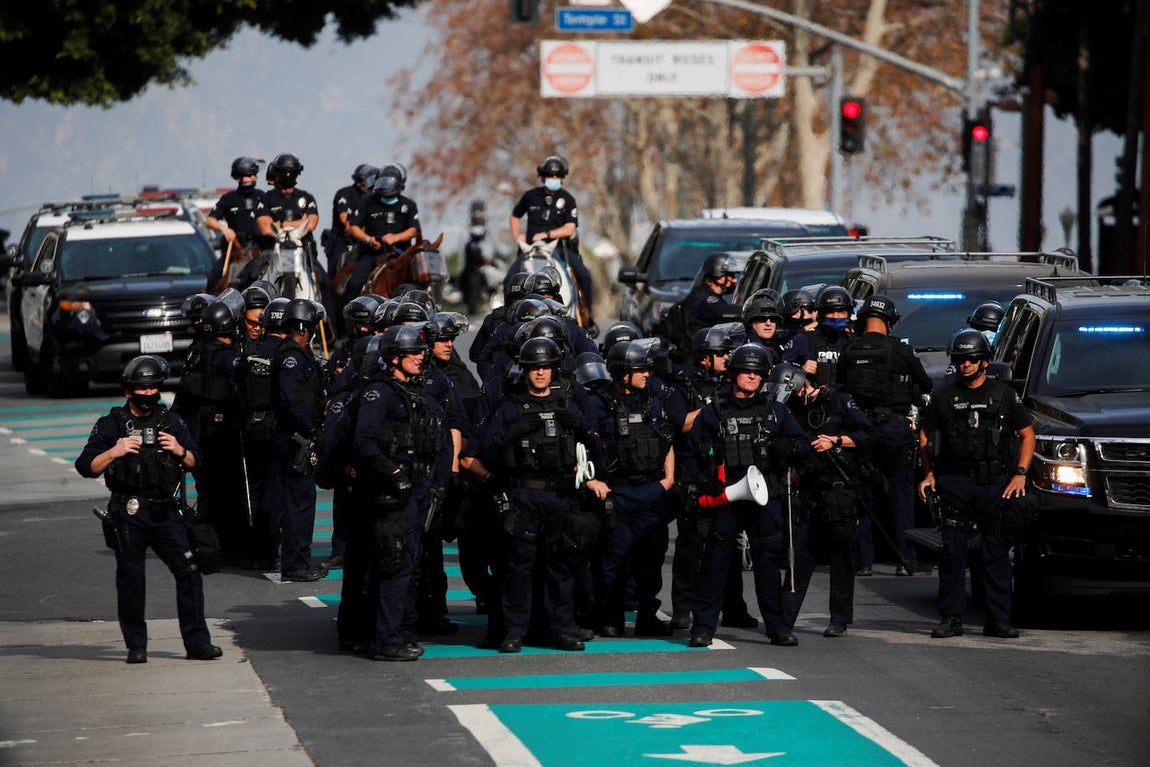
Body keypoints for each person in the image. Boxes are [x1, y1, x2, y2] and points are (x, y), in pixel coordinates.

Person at [75, 355, 221, 664]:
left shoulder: (171, 421)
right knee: (131, 579)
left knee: (190, 572)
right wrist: (115, 450)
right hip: (129, 514)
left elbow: (196, 461)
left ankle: (197, 644)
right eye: (141, 388)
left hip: (166, 512)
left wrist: (180, 450)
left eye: (153, 388)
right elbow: (86, 466)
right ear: (128, 391)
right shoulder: (111, 424)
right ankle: (136, 645)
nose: (147, 394)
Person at [469, 337, 610, 653]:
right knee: (518, 568)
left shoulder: (568, 406)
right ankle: (514, 632)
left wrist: (584, 429)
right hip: (523, 497)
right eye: (534, 368)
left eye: (546, 367)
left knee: (559, 568)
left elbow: (597, 452)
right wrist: (514, 430)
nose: (541, 373)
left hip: (560, 497)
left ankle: (559, 629)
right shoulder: (510, 407)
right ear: (526, 370)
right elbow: (488, 450)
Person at [682, 343, 811, 648]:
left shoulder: (776, 410)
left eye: (757, 373)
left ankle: (777, 627)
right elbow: (689, 455)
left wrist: (788, 448)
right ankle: (702, 627)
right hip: (727, 495)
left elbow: (802, 444)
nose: (751, 377)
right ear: (734, 374)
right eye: (746, 371)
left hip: (766, 495)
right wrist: (704, 481)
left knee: (767, 565)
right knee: (715, 563)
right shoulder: (714, 410)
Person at [917, 330, 1035, 640]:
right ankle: (951, 618)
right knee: (952, 555)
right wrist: (929, 474)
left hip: (993, 483)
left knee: (994, 554)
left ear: (984, 362)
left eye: (971, 360)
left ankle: (997, 620)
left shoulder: (1004, 395)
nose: (965, 365)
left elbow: (1027, 434)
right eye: (959, 360)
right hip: (954, 482)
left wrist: (1020, 474)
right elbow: (925, 436)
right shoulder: (943, 397)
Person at [352, 325, 452, 661]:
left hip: (417, 492)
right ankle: (385, 640)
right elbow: (363, 441)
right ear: (394, 357)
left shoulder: (414, 391)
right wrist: (393, 473)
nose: (421, 357)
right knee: (393, 566)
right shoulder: (379, 394)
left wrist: (435, 484)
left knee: (410, 568)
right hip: (391, 495)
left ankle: (400, 633)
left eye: (422, 352)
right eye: (414, 353)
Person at [778, 363, 876, 639]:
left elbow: (868, 436)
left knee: (841, 555)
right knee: (799, 555)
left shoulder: (838, 400)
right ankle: (784, 620)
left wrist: (836, 440)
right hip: (807, 490)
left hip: (839, 489)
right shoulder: (787, 408)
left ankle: (840, 618)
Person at [585, 340, 676, 637]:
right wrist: (593, 481)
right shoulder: (596, 403)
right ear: (623, 373)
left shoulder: (652, 400)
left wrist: (667, 480)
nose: (647, 375)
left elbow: (666, 441)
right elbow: (580, 447)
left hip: (651, 490)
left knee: (650, 558)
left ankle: (647, 616)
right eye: (640, 370)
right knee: (614, 557)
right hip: (617, 492)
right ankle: (610, 617)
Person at [838, 294, 934, 577]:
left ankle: (863, 561)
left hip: (860, 431)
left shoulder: (850, 351)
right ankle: (905, 559)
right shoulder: (901, 351)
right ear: (889, 322)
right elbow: (925, 384)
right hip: (894, 430)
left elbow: (841, 387)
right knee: (901, 496)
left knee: (862, 496)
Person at [267, 298, 328, 582]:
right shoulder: (291, 357)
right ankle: (296, 564)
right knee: (299, 504)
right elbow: (290, 399)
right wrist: (312, 428)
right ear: (304, 327)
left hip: (297, 437)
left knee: (300, 502)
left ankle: (297, 560)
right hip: (295, 440)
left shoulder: (299, 354)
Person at [508, 155, 596, 329]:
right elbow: (515, 216)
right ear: (543, 177)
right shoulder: (530, 196)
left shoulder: (568, 199)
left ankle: (587, 318)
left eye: (558, 177)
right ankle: (507, 317)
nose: (554, 179)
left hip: (559, 248)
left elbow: (570, 228)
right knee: (509, 279)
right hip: (531, 250)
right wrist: (517, 235)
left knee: (585, 276)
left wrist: (547, 234)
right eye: (551, 176)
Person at [345, 167, 421, 300]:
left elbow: (414, 230)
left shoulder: (409, 205)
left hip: (400, 254)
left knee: (420, 281)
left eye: (389, 184)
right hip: (373, 253)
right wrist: (368, 239)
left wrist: (396, 237)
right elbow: (354, 227)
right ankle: (351, 318)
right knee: (354, 283)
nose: (385, 188)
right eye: (383, 183)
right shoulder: (367, 201)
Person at [659, 252, 740, 360]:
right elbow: (722, 312)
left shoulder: (700, 296)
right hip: (697, 360)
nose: (734, 280)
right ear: (717, 275)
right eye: (730, 275)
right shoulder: (704, 301)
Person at [205, 157, 264, 292]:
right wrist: (224, 229)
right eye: (249, 175)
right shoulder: (228, 199)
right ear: (238, 178)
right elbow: (210, 220)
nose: (254, 178)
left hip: (259, 250)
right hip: (235, 251)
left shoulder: (262, 197)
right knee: (214, 277)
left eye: (255, 175)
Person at [327, 163, 377, 279]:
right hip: (342, 242)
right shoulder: (345, 194)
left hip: (362, 242)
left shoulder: (371, 198)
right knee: (333, 277)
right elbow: (345, 220)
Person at [803, 285, 854, 387]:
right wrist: (801, 370)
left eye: (840, 312)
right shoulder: (805, 340)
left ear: (848, 315)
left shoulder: (854, 343)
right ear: (821, 315)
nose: (835, 317)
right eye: (830, 312)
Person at [460, 225, 492, 316]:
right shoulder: (472, 245)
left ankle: (475, 309)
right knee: (473, 293)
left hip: (475, 273)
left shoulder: (473, 245)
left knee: (479, 289)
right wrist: (484, 260)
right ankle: (473, 312)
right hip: (472, 273)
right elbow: (477, 258)